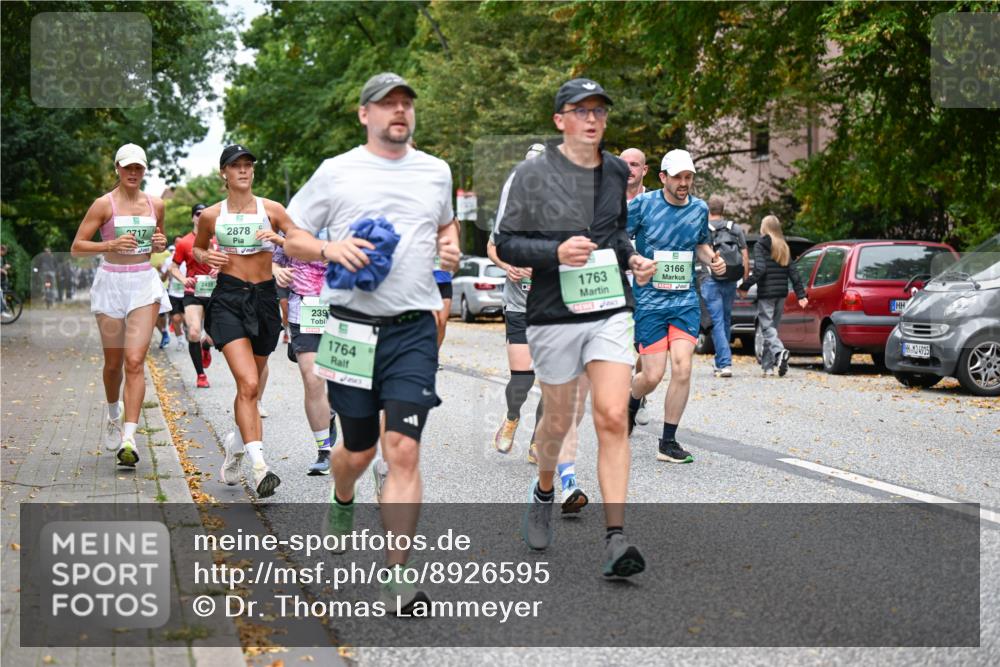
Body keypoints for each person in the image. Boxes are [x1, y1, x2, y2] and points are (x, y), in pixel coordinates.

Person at [284, 72, 459, 612]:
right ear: (365, 114)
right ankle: (342, 497)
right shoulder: (335, 172)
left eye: (406, 103)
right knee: (356, 451)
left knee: (402, 450)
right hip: (350, 330)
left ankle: (398, 576)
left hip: (412, 329)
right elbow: (292, 235)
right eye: (387, 105)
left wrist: (449, 251)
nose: (399, 112)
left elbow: (447, 228)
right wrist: (329, 249)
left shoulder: (437, 172)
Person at [494, 78, 656, 578]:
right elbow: (506, 243)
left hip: (609, 305)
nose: (592, 118)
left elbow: (618, 230)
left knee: (610, 414)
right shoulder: (532, 175)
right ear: (559, 119)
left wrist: (632, 257)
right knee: (559, 419)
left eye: (600, 110)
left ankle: (616, 540)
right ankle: (545, 490)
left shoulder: (613, 171)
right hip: (552, 312)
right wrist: (554, 252)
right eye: (580, 110)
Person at [487, 142, 589, 514]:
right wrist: (507, 265)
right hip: (517, 302)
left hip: (548, 307)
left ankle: (537, 437)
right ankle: (513, 417)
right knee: (522, 377)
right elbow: (493, 245)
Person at [196, 145, 297, 498]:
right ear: (223, 173)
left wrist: (279, 239)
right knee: (249, 384)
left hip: (265, 299)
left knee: (250, 389)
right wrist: (205, 254)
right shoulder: (212, 214)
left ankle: (235, 445)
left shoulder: (272, 209)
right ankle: (259, 467)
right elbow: (197, 248)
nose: (243, 170)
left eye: (248, 165)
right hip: (227, 299)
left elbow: (300, 242)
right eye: (235, 166)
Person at [626, 149, 727, 465]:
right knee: (652, 376)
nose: (685, 183)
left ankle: (667, 442)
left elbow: (700, 244)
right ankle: (631, 398)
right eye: (679, 177)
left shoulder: (698, 209)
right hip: (650, 300)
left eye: (689, 178)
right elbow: (617, 237)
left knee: (683, 367)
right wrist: (636, 259)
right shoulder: (643, 205)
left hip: (684, 300)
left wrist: (713, 260)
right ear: (663, 177)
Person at [70, 143, 168, 467]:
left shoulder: (156, 204)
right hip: (111, 282)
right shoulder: (104, 204)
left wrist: (159, 243)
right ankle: (113, 413)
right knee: (113, 364)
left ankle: (129, 437)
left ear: (144, 170)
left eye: (138, 167)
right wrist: (109, 243)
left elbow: (159, 242)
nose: (133, 173)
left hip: (143, 281)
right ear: (117, 169)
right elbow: (77, 247)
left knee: (135, 361)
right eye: (127, 167)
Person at [272, 235, 338, 475]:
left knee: (341, 382)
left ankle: (329, 412)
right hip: (304, 309)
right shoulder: (293, 223)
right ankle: (324, 451)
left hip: (343, 310)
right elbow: (274, 259)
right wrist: (276, 270)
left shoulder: (345, 220)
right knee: (313, 380)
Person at [738, 215, 808, 377]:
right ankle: (768, 367)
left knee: (767, 328)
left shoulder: (760, 245)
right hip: (781, 294)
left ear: (765, 228)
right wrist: (800, 295)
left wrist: (745, 286)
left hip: (767, 294)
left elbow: (760, 270)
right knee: (772, 330)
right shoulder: (783, 246)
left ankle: (780, 351)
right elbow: (793, 271)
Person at [700, 194, 750, 377]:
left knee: (717, 321)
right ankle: (721, 361)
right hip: (730, 279)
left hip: (710, 279)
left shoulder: (704, 228)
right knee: (726, 320)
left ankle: (724, 363)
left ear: (708, 210)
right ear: (723, 210)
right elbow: (744, 256)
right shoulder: (734, 228)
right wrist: (743, 282)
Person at [170, 203, 216, 388]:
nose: (201, 216)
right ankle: (200, 375)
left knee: (214, 337)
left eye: (205, 214)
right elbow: (173, 268)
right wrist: (183, 280)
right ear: (193, 217)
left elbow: (228, 263)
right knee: (194, 331)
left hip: (214, 291)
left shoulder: (216, 240)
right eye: (198, 213)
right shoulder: (184, 242)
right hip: (193, 292)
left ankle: (206, 346)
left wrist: (218, 270)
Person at [163, 242, 187, 349]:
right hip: (173, 293)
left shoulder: (189, 258)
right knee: (176, 318)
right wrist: (167, 272)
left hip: (187, 293)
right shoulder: (168, 260)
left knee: (186, 319)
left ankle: (187, 329)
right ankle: (180, 340)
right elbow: (163, 279)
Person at [150, 243, 173, 348]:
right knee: (153, 316)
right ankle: (164, 333)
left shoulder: (166, 254)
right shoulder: (145, 254)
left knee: (161, 313)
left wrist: (162, 270)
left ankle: (166, 330)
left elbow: (171, 267)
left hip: (163, 285)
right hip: (148, 287)